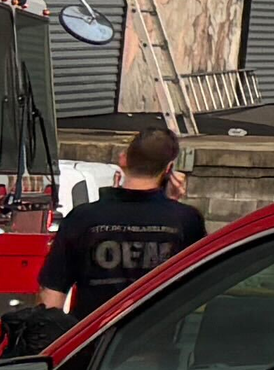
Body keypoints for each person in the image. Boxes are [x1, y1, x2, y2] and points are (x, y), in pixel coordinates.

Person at [39, 126, 208, 322]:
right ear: (169, 169)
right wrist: (172, 205)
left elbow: (51, 295)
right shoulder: (186, 220)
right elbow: (198, 288)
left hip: (91, 342)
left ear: (123, 159)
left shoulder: (82, 218)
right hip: (155, 341)